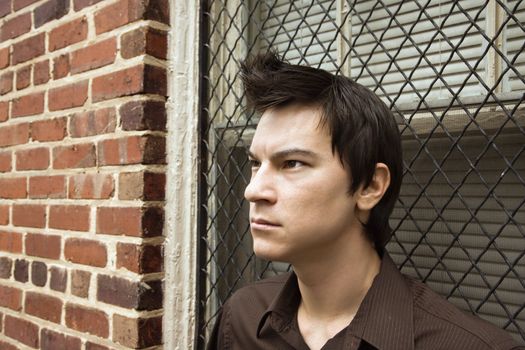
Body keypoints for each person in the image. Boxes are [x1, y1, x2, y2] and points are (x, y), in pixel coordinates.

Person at [206, 51, 522, 350]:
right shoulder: (243, 318)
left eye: (292, 163)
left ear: (370, 186)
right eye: (256, 163)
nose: (253, 190)